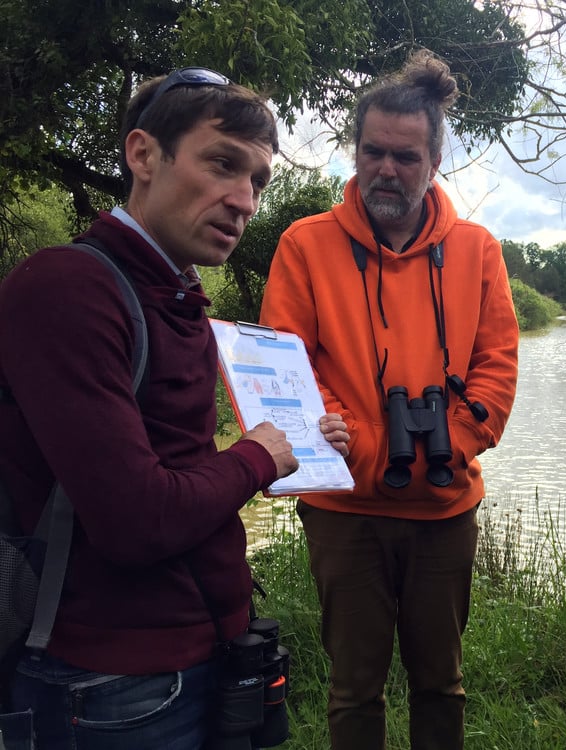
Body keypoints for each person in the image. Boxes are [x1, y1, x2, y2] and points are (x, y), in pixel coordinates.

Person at [0, 68, 301, 748]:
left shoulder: (175, 297)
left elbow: (179, 468)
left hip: (203, 661)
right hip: (107, 687)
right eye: (222, 164)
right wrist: (255, 458)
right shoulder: (67, 289)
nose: (244, 200)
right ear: (143, 154)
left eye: (258, 181)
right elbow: (138, 519)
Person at [258, 49, 518, 750]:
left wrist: (451, 442)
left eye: (406, 156)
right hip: (343, 508)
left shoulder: (477, 250)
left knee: (442, 684)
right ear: (356, 151)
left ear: (435, 162)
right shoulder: (305, 244)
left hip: (444, 505)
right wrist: (368, 448)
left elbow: (496, 366)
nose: (387, 170)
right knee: (353, 688)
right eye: (373, 152)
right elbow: (289, 366)